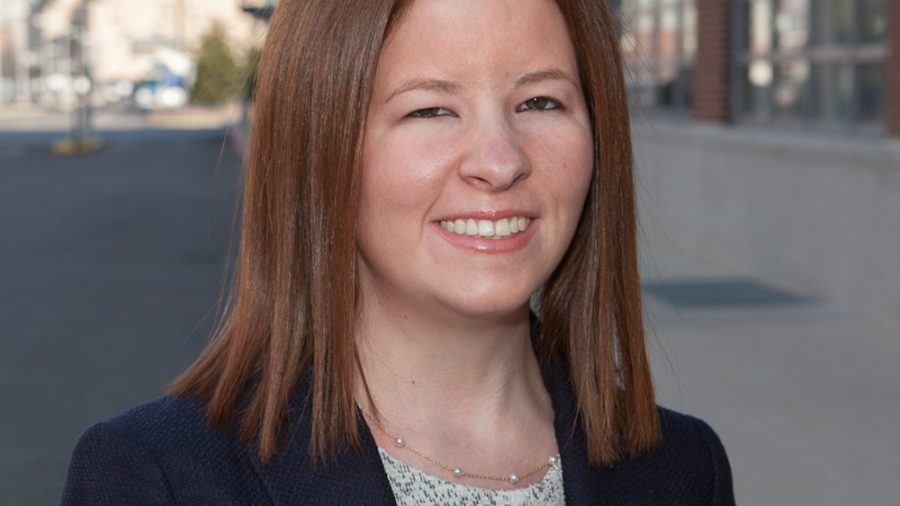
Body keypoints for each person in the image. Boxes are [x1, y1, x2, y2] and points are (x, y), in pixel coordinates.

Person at [61, 0, 735, 504]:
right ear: (318, 148)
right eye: (429, 111)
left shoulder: (684, 470)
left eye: (539, 100)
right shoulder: (157, 476)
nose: (499, 162)